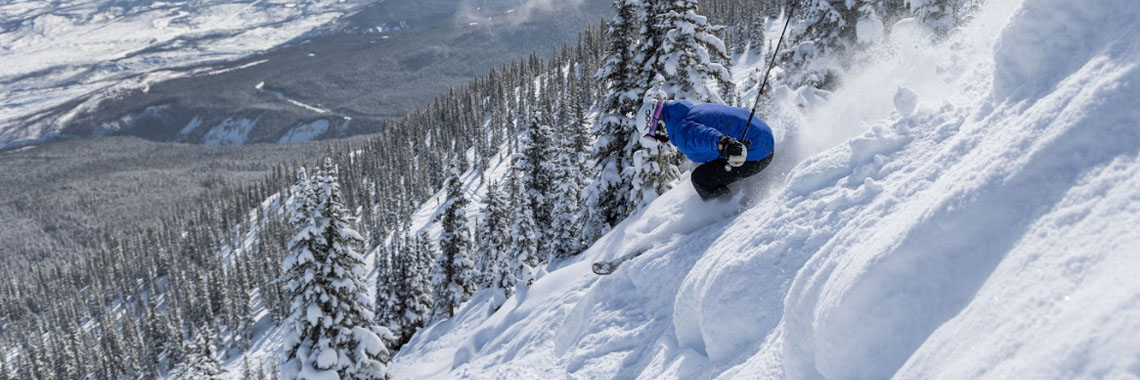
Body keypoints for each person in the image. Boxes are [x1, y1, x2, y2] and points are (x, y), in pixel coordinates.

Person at [649, 99, 774, 201]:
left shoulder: (682, 131)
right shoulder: (690, 112)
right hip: (764, 139)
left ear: (659, 125)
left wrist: (724, 143)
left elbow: (704, 135)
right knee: (708, 167)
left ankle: (726, 209)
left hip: (758, 154)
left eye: (656, 134)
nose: (661, 138)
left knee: (700, 179)